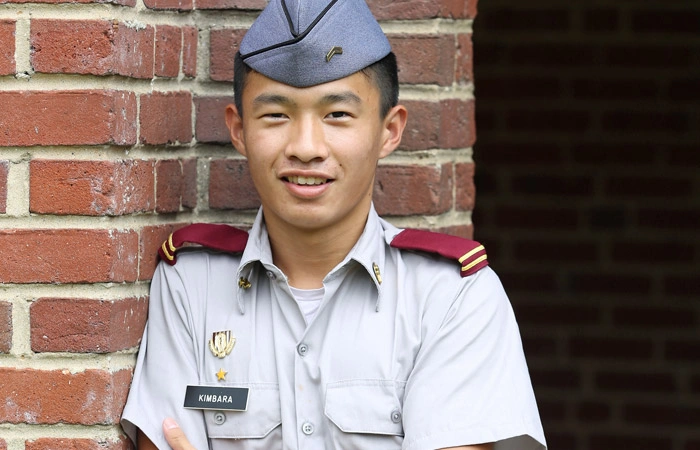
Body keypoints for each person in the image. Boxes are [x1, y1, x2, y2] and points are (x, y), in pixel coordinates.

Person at [120, 0, 547, 449]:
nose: (306, 147)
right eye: (276, 115)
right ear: (239, 129)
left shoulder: (451, 297)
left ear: (389, 130)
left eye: (337, 114)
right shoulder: (191, 284)